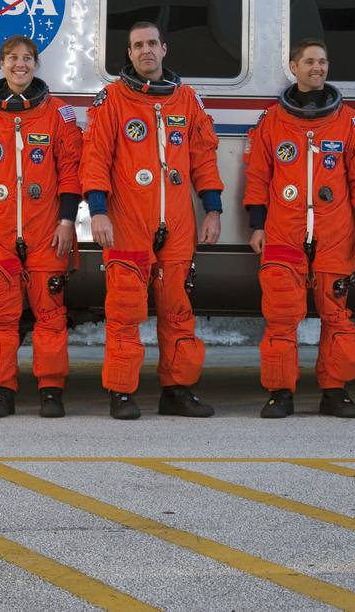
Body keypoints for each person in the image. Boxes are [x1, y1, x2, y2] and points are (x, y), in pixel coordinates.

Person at [80, 21, 224, 420]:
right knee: (125, 310)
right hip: (127, 219)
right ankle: (122, 393)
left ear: (164, 49)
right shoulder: (112, 99)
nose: (145, 51)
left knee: (178, 310)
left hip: (177, 222)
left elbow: (204, 157)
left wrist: (212, 209)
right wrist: (98, 211)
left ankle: (177, 390)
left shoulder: (187, 100)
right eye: (137, 45)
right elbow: (95, 159)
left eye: (152, 44)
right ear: (129, 54)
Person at [243, 39, 355, 419]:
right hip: (283, 232)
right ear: (294, 67)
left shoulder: (349, 120)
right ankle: (280, 393)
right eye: (309, 62)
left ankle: (334, 393)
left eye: (322, 61)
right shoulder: (272, 120)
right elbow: (257, 177)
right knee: (282, 316)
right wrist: (257, 226)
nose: (317, 68)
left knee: (336, 317)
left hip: (335, 232)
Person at [0, 35, 83, 418]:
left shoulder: (58, 114)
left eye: (27, 58)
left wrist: (66, 221)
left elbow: (70, 175)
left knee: (50, 315)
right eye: (12, 58)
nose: (20, 65)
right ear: (1, 63)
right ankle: (1, 390)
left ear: (36, 64)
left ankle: (50, 388)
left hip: (46, 232)